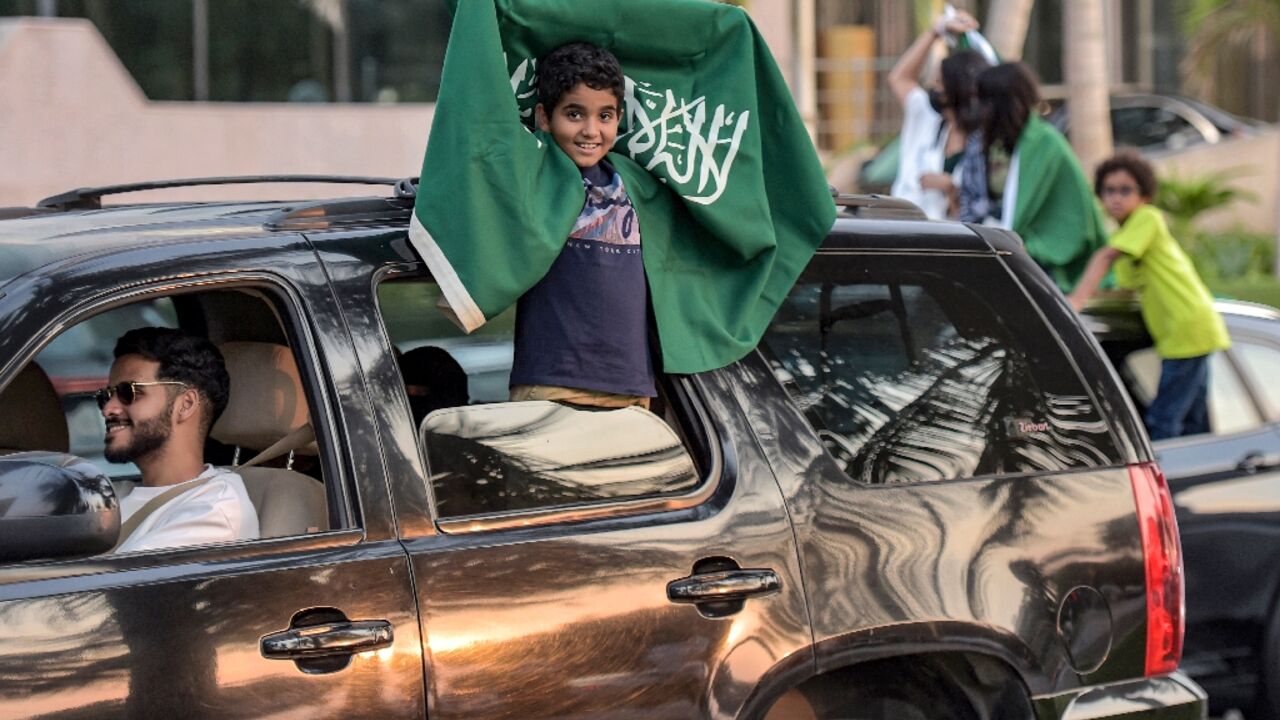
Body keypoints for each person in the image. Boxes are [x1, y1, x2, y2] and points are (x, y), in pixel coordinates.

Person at [506, 42, 656, 410]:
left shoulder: (636, 185)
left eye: (605, 116)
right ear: (544, 117)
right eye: (575, 114)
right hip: (550, 389)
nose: (592, 130)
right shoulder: (531, 180)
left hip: (631, 391)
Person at [1068, 153, 1231, 440]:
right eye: (1109, 190)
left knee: (1162, 422)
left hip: (1187, 329)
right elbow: (1128, 289)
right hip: (1183, 332)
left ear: (1144, 196)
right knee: (1195, 423)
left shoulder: (1147, 218)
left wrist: (1074, 302)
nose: (1116, 198)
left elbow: (1106, 256)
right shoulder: (1129, 235)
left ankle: (1163, 481)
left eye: (1125, 190)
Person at [98, 327, 258, 553]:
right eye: (105, 396)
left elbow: (109, 586)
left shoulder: (212, 513)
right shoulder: (117, 493)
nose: (108, 409)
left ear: (186, 405)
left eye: (128, 392)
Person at [959, 62, 1107, 292]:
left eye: (985, 101)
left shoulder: (1046, 143)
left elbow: (1074, 218)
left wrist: (1029, 247)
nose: (980, 109)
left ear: (1004, 103)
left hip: (1042, 272)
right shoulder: (986, 144)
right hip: (997, 256)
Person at [888, 9, 991, 219]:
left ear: (957, 90)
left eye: (939, 82)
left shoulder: (985, 142)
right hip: (899, 231)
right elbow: (900, 78)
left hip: (948, 244)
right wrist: (937, 31)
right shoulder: (926, 119)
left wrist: (950, 187)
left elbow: (980, 213)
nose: (934, 89)